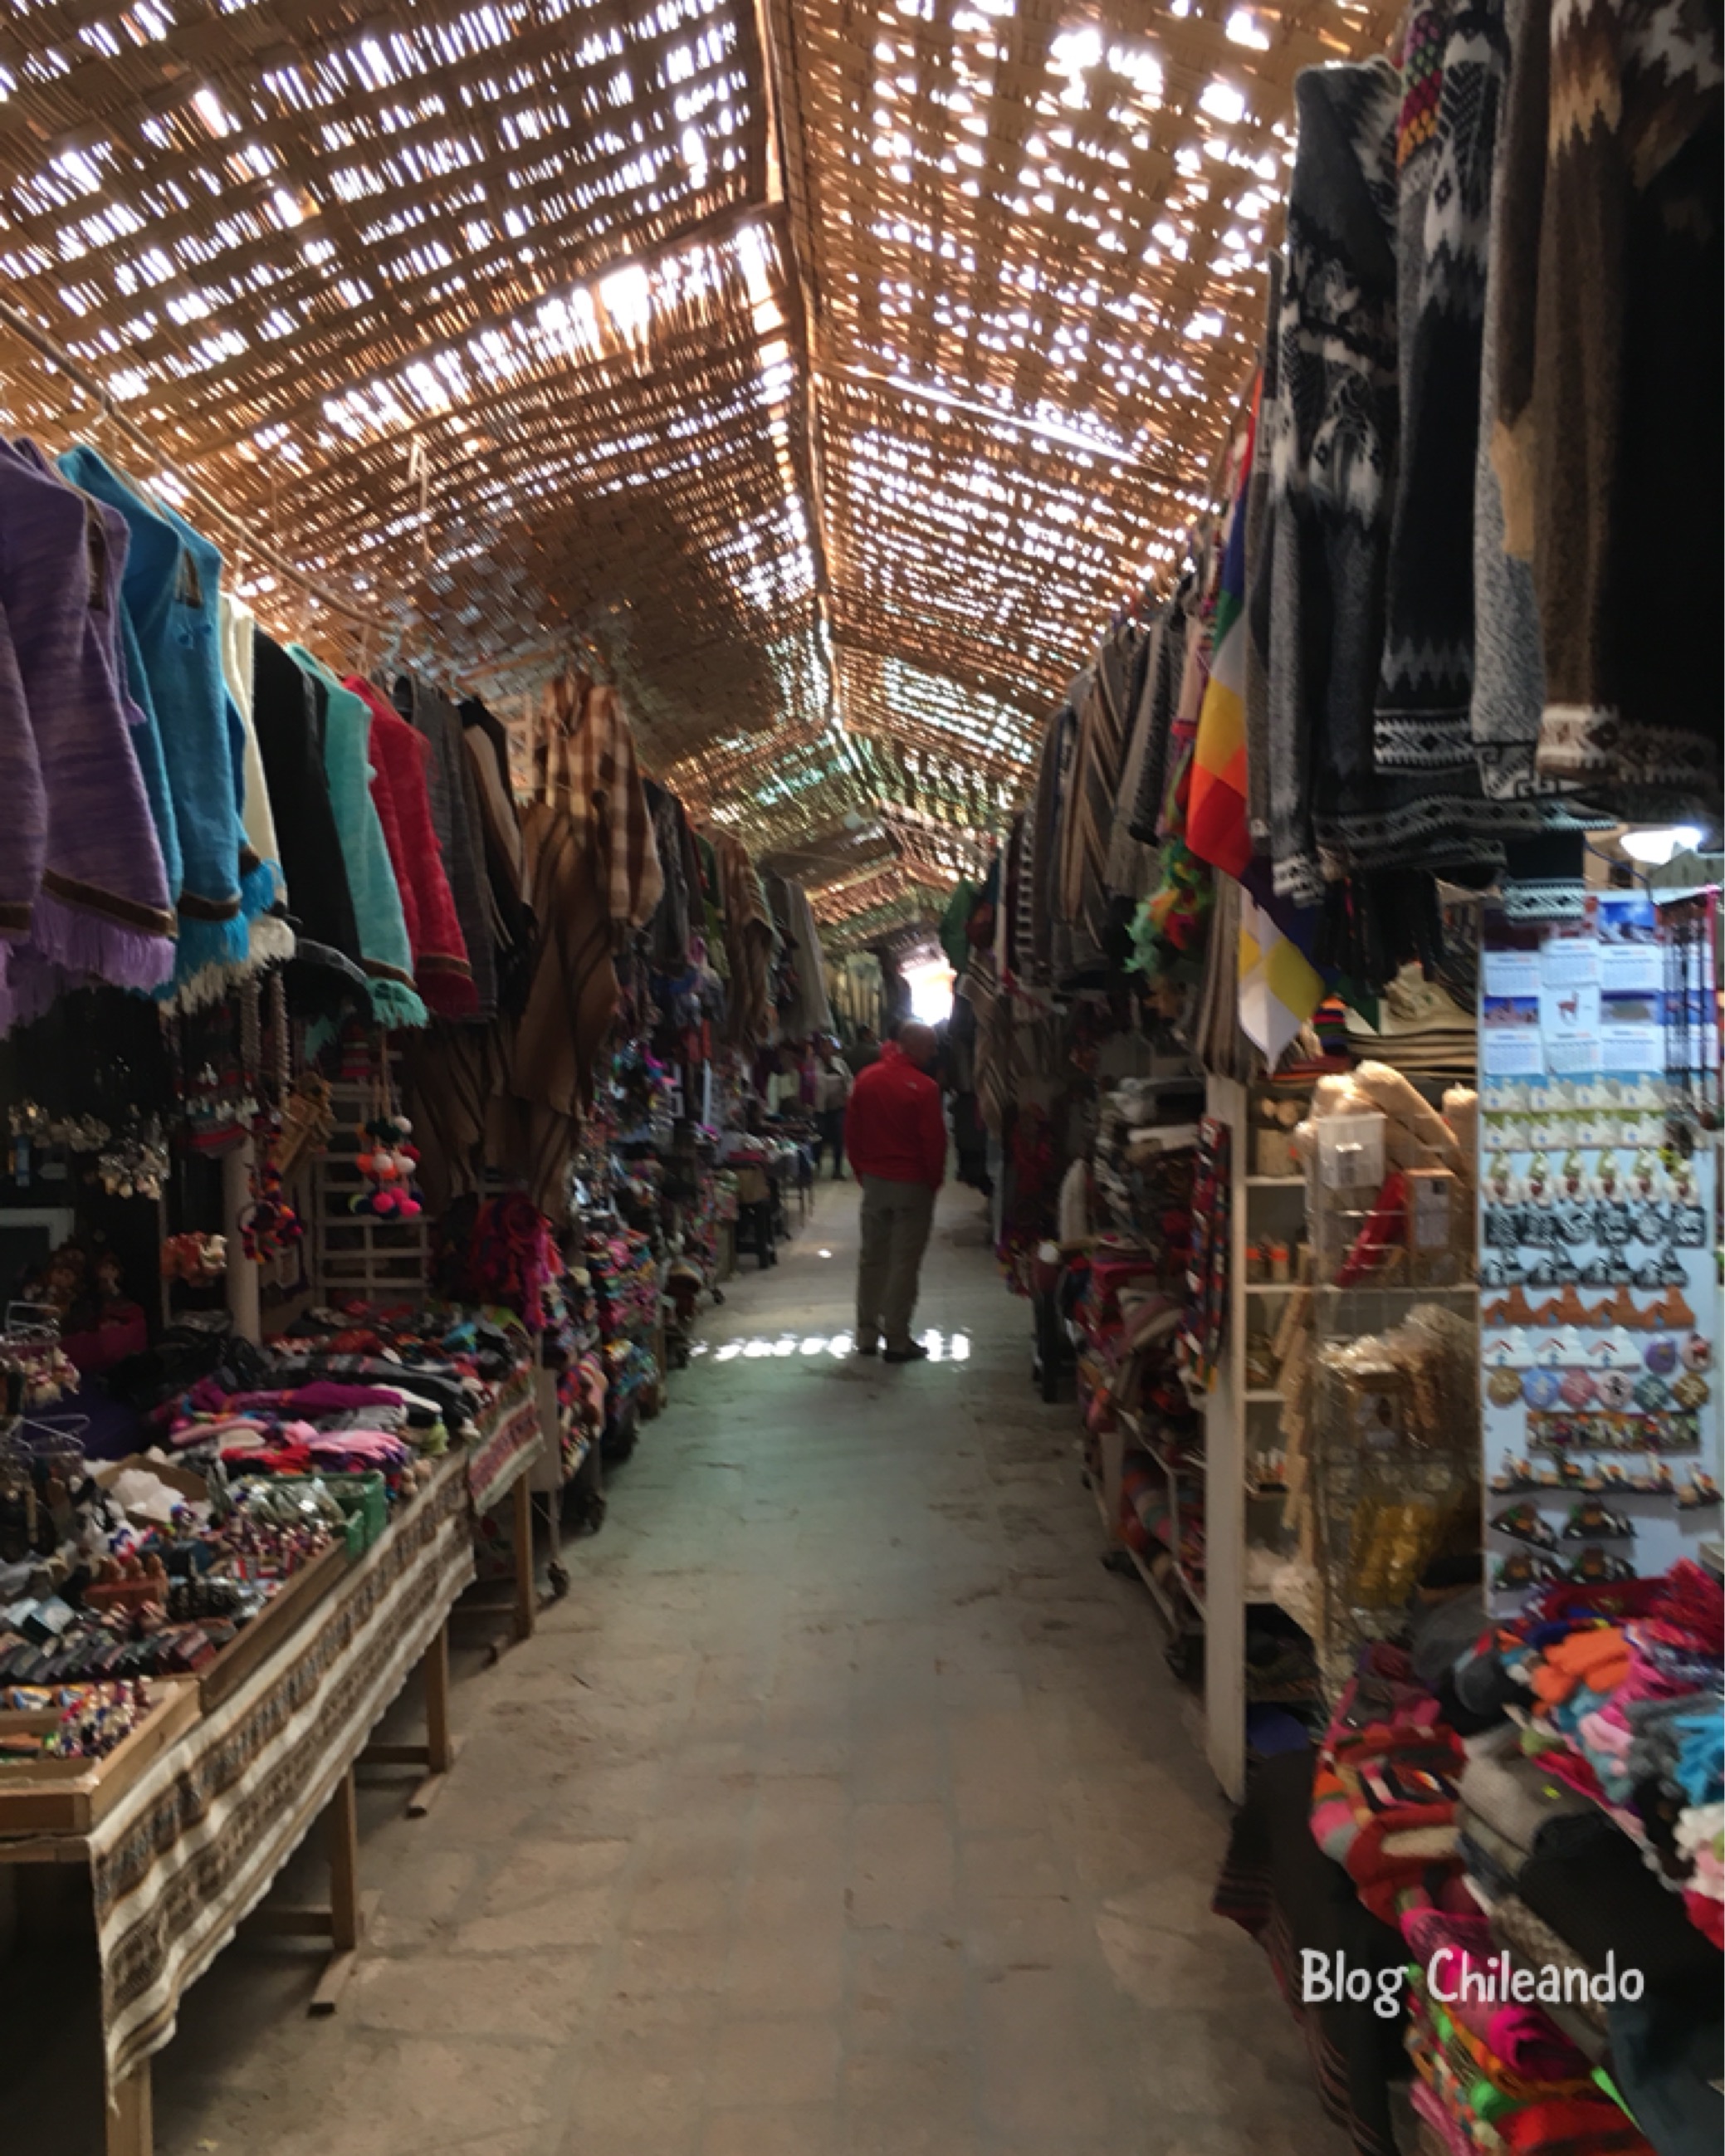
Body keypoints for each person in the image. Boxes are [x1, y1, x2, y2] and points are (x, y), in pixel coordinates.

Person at [846, 1019, 946, 1362]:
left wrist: (861, 1170)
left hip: (876, 1181)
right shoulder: (925, 1088)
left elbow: (853, 1132)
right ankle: (897, 1339)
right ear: (911, 1045)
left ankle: (866, 1334)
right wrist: (933, 1180)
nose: (934, 1052)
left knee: (872, 1258)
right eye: (930, 1046)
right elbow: (933, 1141)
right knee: (904, 1263)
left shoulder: (866, 1079)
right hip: (912, 1184)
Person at [812, 1037, 853, 1180]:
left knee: (838, 1136)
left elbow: (849, 1081)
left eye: (829, 1047)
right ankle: (816, 1164)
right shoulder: (813, 1064)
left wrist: (849, 1095)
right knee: (818, 1135)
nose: (827, 1050)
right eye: (824, 1047)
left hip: (838, 1106)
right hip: (819, 1108)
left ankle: (837, 1169)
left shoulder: (840, 1064)